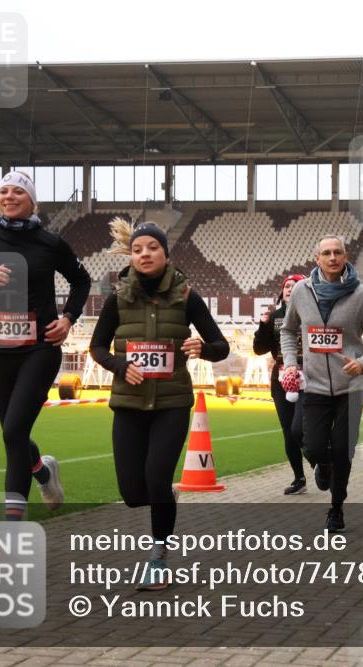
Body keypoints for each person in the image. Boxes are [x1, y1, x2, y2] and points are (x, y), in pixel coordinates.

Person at [0, 170, 91, 521]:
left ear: (32, 201)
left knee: (13, 431)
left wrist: (68, 318)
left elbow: (81, 280)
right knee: (13, 430)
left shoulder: (50, 242)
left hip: (40, 348)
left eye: (18, 192)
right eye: (3, 191)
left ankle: (12, 525)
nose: (9, 196)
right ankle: (42, 470)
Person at [89, 219, 229, 590]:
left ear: (166, 253)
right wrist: (120, 365)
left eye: (152, 247)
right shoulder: (118, 298)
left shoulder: (186, 297)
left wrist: (203, 347)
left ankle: (158, 559)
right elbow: (97, 347)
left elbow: (221, 346)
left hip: (171, 404)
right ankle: (164, 497)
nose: (145, 254)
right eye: (137, 249)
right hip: (129, 404)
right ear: (131, 256)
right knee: (134, 494)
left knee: (156, 479)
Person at [279, 235, 363, 532]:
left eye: (337, 252)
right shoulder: (302, 291)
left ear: (345, 257)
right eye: (326, 253)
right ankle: (323, 464)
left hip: (351, 388)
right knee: (309, 443)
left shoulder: (361, 295)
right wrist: (291, 363)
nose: (332, 257)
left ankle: (336, 509)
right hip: (314, 385)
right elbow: (288, 331)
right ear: (316, 258)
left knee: (343, 450)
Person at [253, 273, 308, 495]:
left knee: (300, 429)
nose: (289, 288)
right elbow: (259, 349)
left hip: (309, 376)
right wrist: (262, 326)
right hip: (281, 378)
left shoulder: (312, 313)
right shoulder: (274, 316)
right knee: (288, 431)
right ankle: (299, 478)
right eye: (286, 286)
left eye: (295, 285)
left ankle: (321, 463)